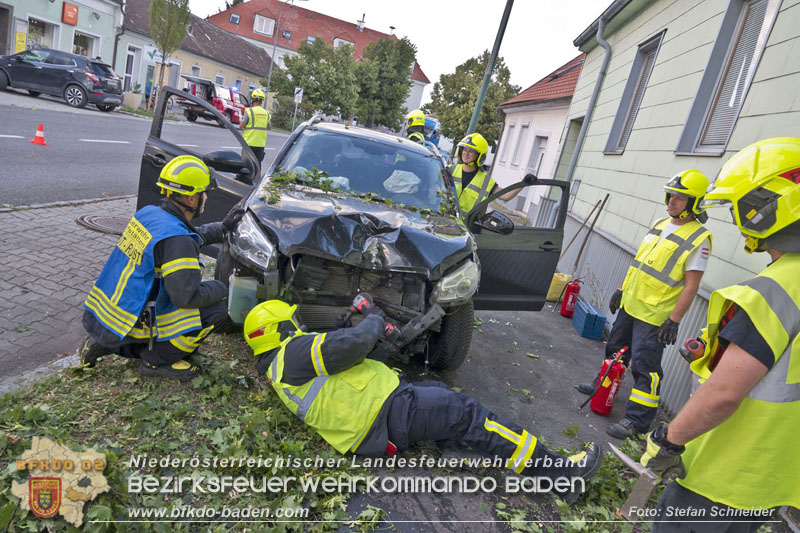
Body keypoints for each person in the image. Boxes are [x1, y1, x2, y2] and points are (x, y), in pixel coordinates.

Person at [244, 298, 603, 504]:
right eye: (291, 319)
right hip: (389, 414)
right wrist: (371, 321)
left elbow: (338, 361)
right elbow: (352, 346)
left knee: (441, 393)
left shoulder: (279, 370)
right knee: (470, 413)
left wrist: (345, 327)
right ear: (280, 329)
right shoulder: (293, 352)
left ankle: (458, 443)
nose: (298, 322)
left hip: (375, 425)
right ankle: (562, 476)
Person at [638, 137, 800, 530]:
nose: (733, 218)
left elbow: (725, 394)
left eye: (738, 206)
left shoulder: (776, 290)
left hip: (721, 476)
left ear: (766, 208)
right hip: (772, 479)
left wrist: (669, 440)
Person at [79, 155, 243, 381]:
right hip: (136, 320)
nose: (206, 197)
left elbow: (181, 239)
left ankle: (101, 343)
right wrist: (224, 287)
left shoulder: (150, 214)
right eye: (203, 192)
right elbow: (186, 297)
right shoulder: (177, 239)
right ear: (191, 198)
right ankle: (157, 361)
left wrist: (221, 228)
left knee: (173, 295)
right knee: (218, 307)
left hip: (108, 317)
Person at [578, 170, 712, 439]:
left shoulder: (699, 238)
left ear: (695, 203)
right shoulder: (661, 224)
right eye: (671, 195)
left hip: (655, 315)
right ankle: (602, 386)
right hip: (631, 303)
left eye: (680, 198)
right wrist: (620, 290)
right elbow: (639, 263)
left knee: (645, 367)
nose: (672, 201)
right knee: (615, 349)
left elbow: (691, 286)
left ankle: (637, 421)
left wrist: (674, 320)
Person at [449, 132, 531, 216]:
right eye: (465, 149)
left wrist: (523, 183)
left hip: (467, 227)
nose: (466, 153)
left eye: (471, 151)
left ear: (479, 155)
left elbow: (505, 196)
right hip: (444, 222)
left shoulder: (486, 182)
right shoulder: (449, 170)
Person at [239, 88, 271, 164]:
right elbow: (269, 127)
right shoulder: (266, 113)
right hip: (260, 144)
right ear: (261, 100)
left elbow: (241, 126)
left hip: (249, 143)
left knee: (246, 165)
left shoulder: (249, 111)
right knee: (257, 165)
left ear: (253, 99)